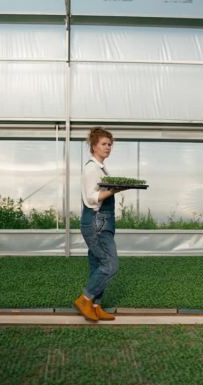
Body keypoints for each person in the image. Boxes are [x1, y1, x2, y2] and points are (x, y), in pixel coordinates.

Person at [73, 127, 128, 322]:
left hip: (103, 221)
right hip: (96, 221)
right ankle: (85, 298)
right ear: (94, 146)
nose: (108, 147)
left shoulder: (101, 168)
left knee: (97, 263)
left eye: (110, 144)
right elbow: (91, 198)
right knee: (110, 264)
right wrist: (115, 190)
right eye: (104, 144)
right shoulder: (91, 168)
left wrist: (115, 189)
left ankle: (96, 306)